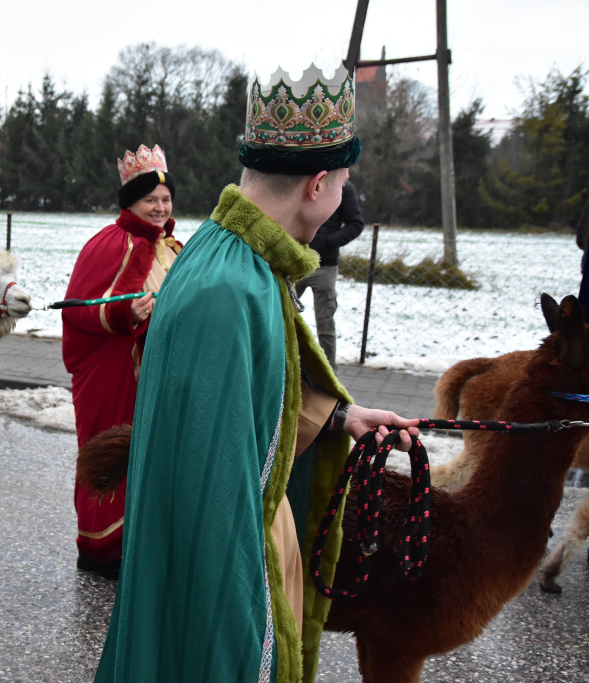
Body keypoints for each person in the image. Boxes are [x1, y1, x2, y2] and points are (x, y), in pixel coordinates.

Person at [94, 63, 420, 683]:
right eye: (344, 183)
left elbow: (255, 392)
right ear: (317, 184)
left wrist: (342, 417)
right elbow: (214, 498)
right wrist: (243, 635)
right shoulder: (228, 286)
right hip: (240, 562)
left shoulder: (242, 260)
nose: (342, 200)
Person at [62, 144, 181, 578]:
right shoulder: (107, 245)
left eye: (165, 200)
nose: (160, 207)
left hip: (158, 371)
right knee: (112, 451)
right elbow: (76, 310)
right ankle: (100, 549)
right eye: (151, 199)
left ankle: (142, 541)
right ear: (132, 200)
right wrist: (122, 313)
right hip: (113, 374)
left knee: (153, 453)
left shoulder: (173, 247)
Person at [295, 179, 364, 372]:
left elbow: (355, 224)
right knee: (280, 316)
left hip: (325, 266)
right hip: (295, 263)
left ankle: (328, 374)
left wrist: (328, 241)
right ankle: (282, 368)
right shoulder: (301, 179)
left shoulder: (344, 187)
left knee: (325, 323)